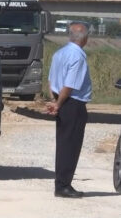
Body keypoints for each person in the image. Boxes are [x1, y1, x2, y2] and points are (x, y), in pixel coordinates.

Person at [46, 21, 92, 198]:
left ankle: (62, 183)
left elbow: (51, 81)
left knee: (63, 144)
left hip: (61, 100)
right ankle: (63, 186)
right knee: (71, 145)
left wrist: (54, 101)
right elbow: (70, 84)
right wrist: (58, 104)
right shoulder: (78, 56)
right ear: (85, 38)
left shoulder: (60, 53)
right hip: (72, 103)